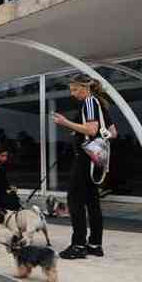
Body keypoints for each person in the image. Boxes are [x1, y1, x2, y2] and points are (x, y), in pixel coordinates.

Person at [52, 74, 113, 259]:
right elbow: (112, 132)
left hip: (86, 157)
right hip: (98, 157)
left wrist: (66, 123)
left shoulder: (89, 102)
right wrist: (88, 134)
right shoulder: (102, 104)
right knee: (92, 200)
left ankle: (78, 245)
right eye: (71, 90)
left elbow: (92, 129)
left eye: (75, 89)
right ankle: (95, 244)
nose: (73, 94)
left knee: (75, 199)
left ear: (85, 88)